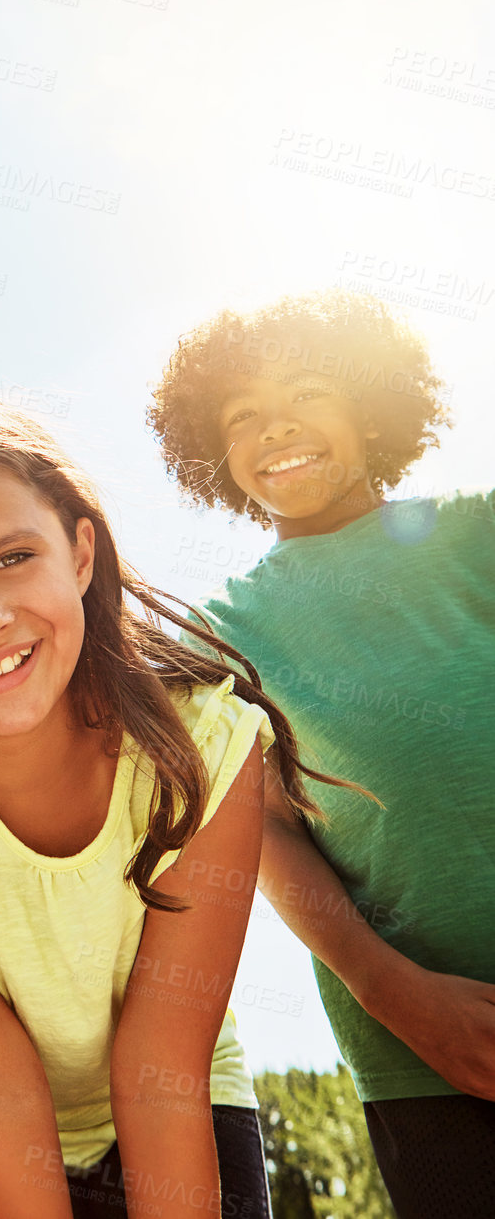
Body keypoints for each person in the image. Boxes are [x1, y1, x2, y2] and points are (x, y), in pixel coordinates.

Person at [0, 397, 339, 1218]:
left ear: (80, 553)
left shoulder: (206, 747)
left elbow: (164, 1068)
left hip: (171, 1079)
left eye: (11, 558)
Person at [148, 288, 495, 1218]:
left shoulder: (480, 531)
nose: (277, 430)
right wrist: (399, 997)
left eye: (308, 393)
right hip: (426, 1052)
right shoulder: (219, 638)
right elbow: (257, 830)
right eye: (242, 416)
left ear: (370, 406)